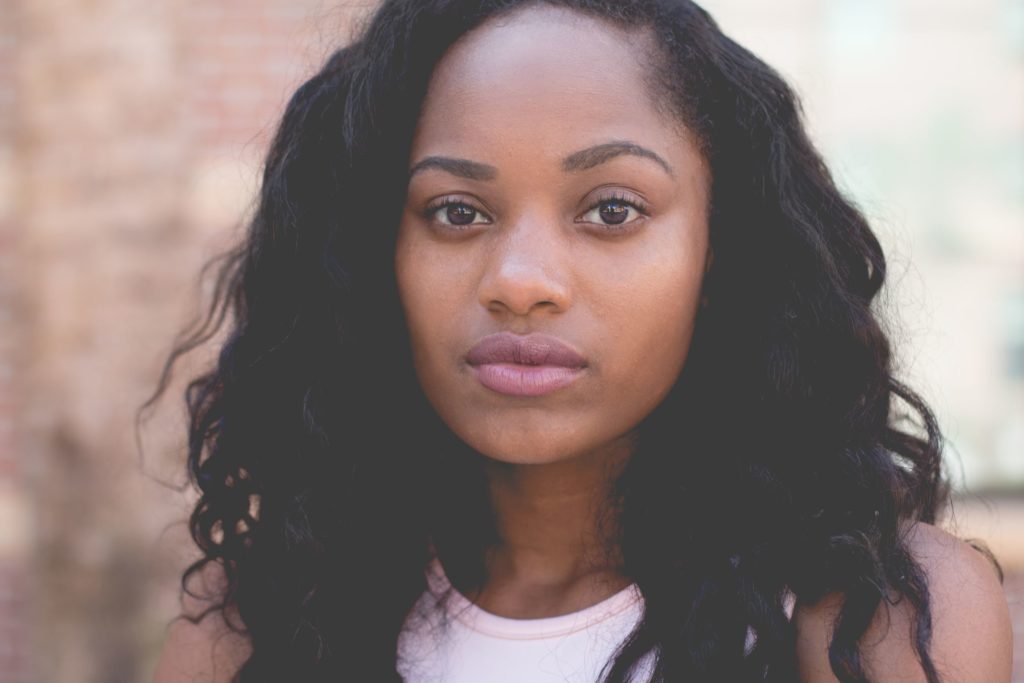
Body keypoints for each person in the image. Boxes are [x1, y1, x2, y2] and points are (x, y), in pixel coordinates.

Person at [150, 1, 1013, 681]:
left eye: (612, 210)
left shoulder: (875, 622)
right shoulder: (250, 633)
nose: (520, 279)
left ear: (723, 256)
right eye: (457, 212)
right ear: (374, 259)